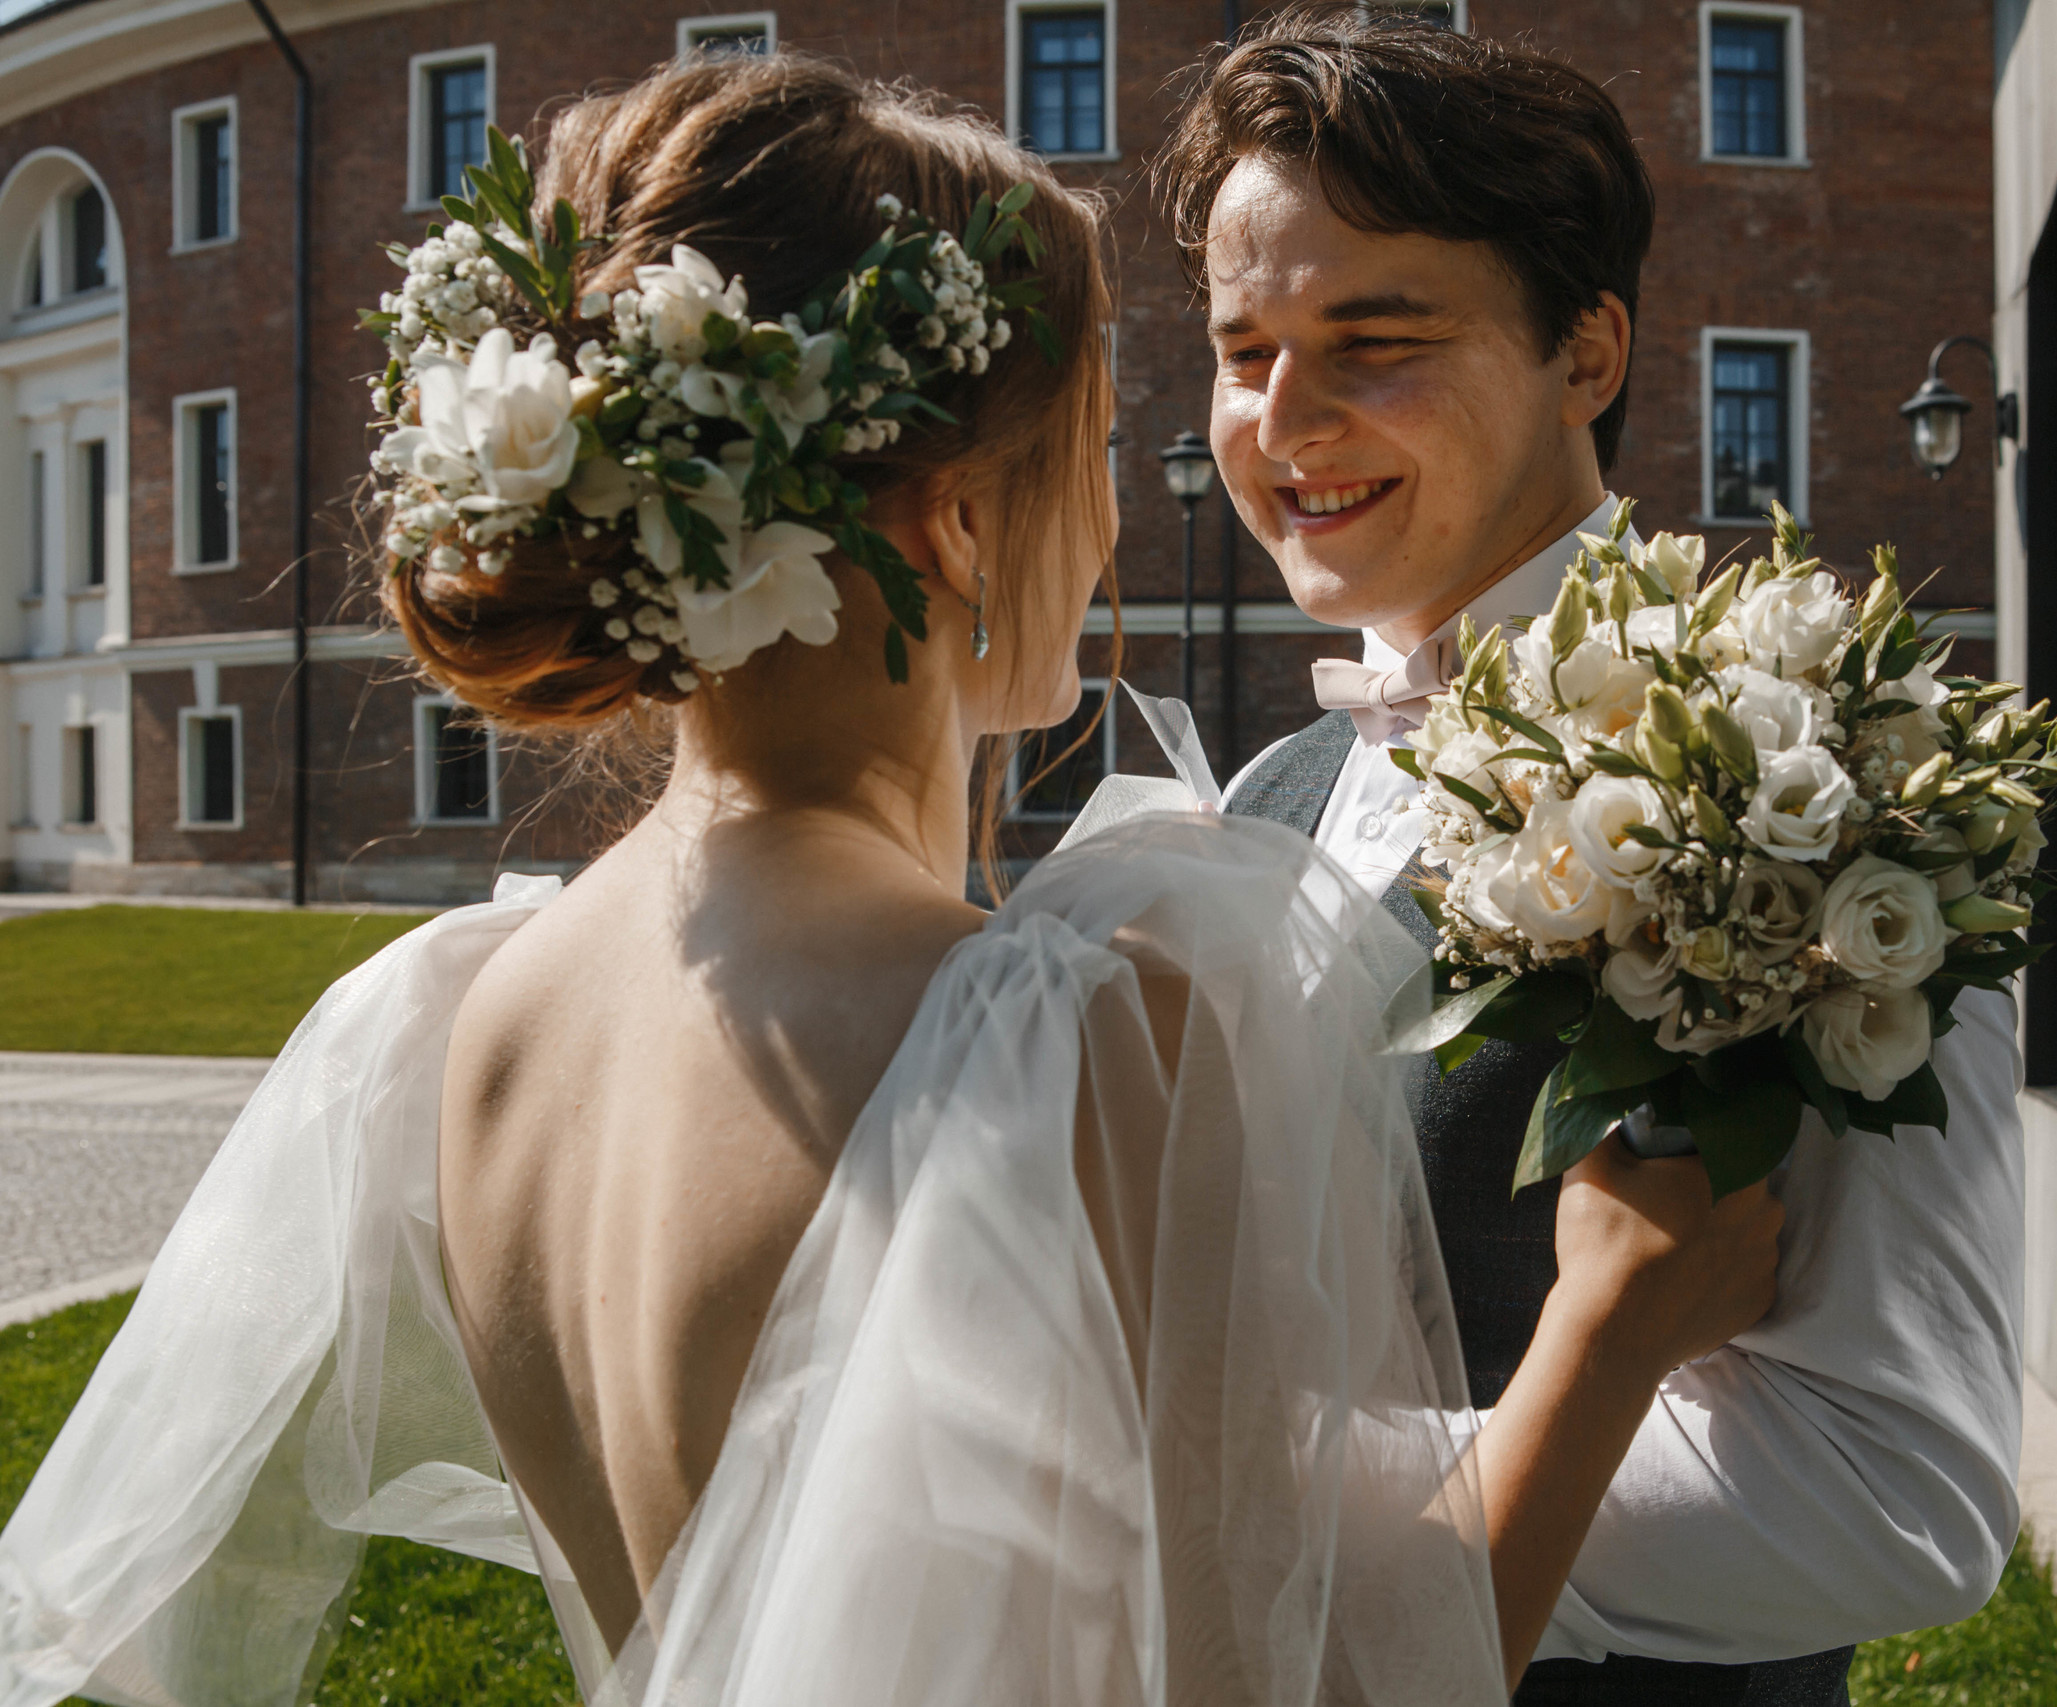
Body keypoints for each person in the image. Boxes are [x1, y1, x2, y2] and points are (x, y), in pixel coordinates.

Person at [0, 53, 1783, 1707]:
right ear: (950, 517)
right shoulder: (1061, 1027)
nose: (1130, 503)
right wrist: (1609, 1333)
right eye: (1092, 441)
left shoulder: (465, 1019)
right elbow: (1299, 1683)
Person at [1159, 10, 2030, 1704]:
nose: (1286, 419)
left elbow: (1902, 1491)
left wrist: (1251, 1486)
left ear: (1590, 353)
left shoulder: (1814, 778)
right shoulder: (1272, 784)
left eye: (1375, 336)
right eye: (1243, 345)